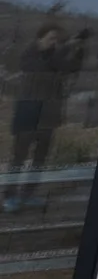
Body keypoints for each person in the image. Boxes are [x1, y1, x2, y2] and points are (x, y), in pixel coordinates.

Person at [4, 24, 86, 212]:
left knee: (39, 159)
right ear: (39, 38)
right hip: (28, 113)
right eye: (51, 39)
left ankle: (28, 194)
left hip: (48, 115)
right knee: (18, 158)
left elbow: (72, 68)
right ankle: (9, 196)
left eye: (56, 40)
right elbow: (42, 66)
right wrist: (65, 47)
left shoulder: (55, 57)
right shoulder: (29, 54)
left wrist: (78, 50)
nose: (54, 43)